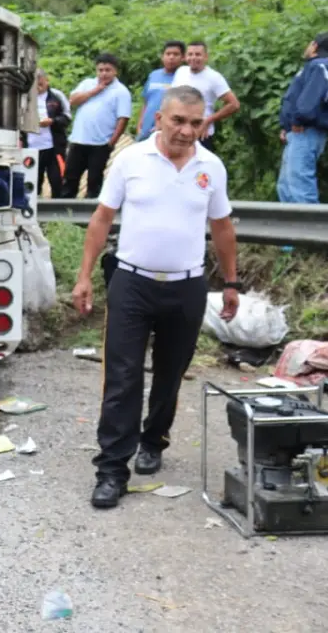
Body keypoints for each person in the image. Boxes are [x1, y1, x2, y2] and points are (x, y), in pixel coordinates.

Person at [72, 86, 241, 509]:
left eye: (195, 122)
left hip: (187, 287)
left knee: (170, 375)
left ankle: (154, 439)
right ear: (159, 119)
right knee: (123, 378)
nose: (186, 131)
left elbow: (221, 228)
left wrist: (232, 283)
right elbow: (102, 218)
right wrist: (84, 276)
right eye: (178, 120)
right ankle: (112, 470)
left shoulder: (211, 167)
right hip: (132, 283)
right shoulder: (131, 161)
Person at [277, 32, 328, 204]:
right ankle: (291, 229)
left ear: (314, 46)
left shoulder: (320, 67)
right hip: (297, 132)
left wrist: (298, 120)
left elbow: (310, 99)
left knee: (300, 186)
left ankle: (312, 229)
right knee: (286, 186)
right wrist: (286, 127)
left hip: (305, 131)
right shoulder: (315, 67)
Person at [62, 53, 132, 199]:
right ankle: (63, 215)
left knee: (94, 181)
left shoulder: (121, 91)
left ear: (115, 71)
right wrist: (95, 91)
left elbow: (123, 119)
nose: (104, 73)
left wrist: (112, 142)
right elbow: (72, 100)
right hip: (78, 140)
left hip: (100, 143)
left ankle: (89, 217)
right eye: (100, 70)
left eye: (108, 70)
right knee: (70, 178)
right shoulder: (87, 83)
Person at [171, 40, 240, 151]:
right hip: (177, 130)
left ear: (206, 57)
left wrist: (208, 120)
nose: (193, 58)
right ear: (185, 56)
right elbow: (171, 97)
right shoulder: (181, 72)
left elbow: (234, 104)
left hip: (200, 133)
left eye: (198, 54)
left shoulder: (214, 77)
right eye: (190, 54)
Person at [26, 70, 71, 198]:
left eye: (41, 84)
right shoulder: (25, 97)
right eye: (36, 84)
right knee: (32, 182)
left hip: (54, 147)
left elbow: (67, 117)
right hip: (31, 147)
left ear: (47, 81)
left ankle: (58, 213)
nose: (39, 87)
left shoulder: (57, 96)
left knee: (57, 180)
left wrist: (53, 121)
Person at [136, 41, 185, 139]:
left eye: (176, 54)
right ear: (162, 56)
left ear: (183, 58)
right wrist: (140, 123)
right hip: (145, 131)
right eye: (168, 54)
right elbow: (146, 101)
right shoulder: (154, 75)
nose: (171, 57)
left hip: (168, 132)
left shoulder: (184, 78)